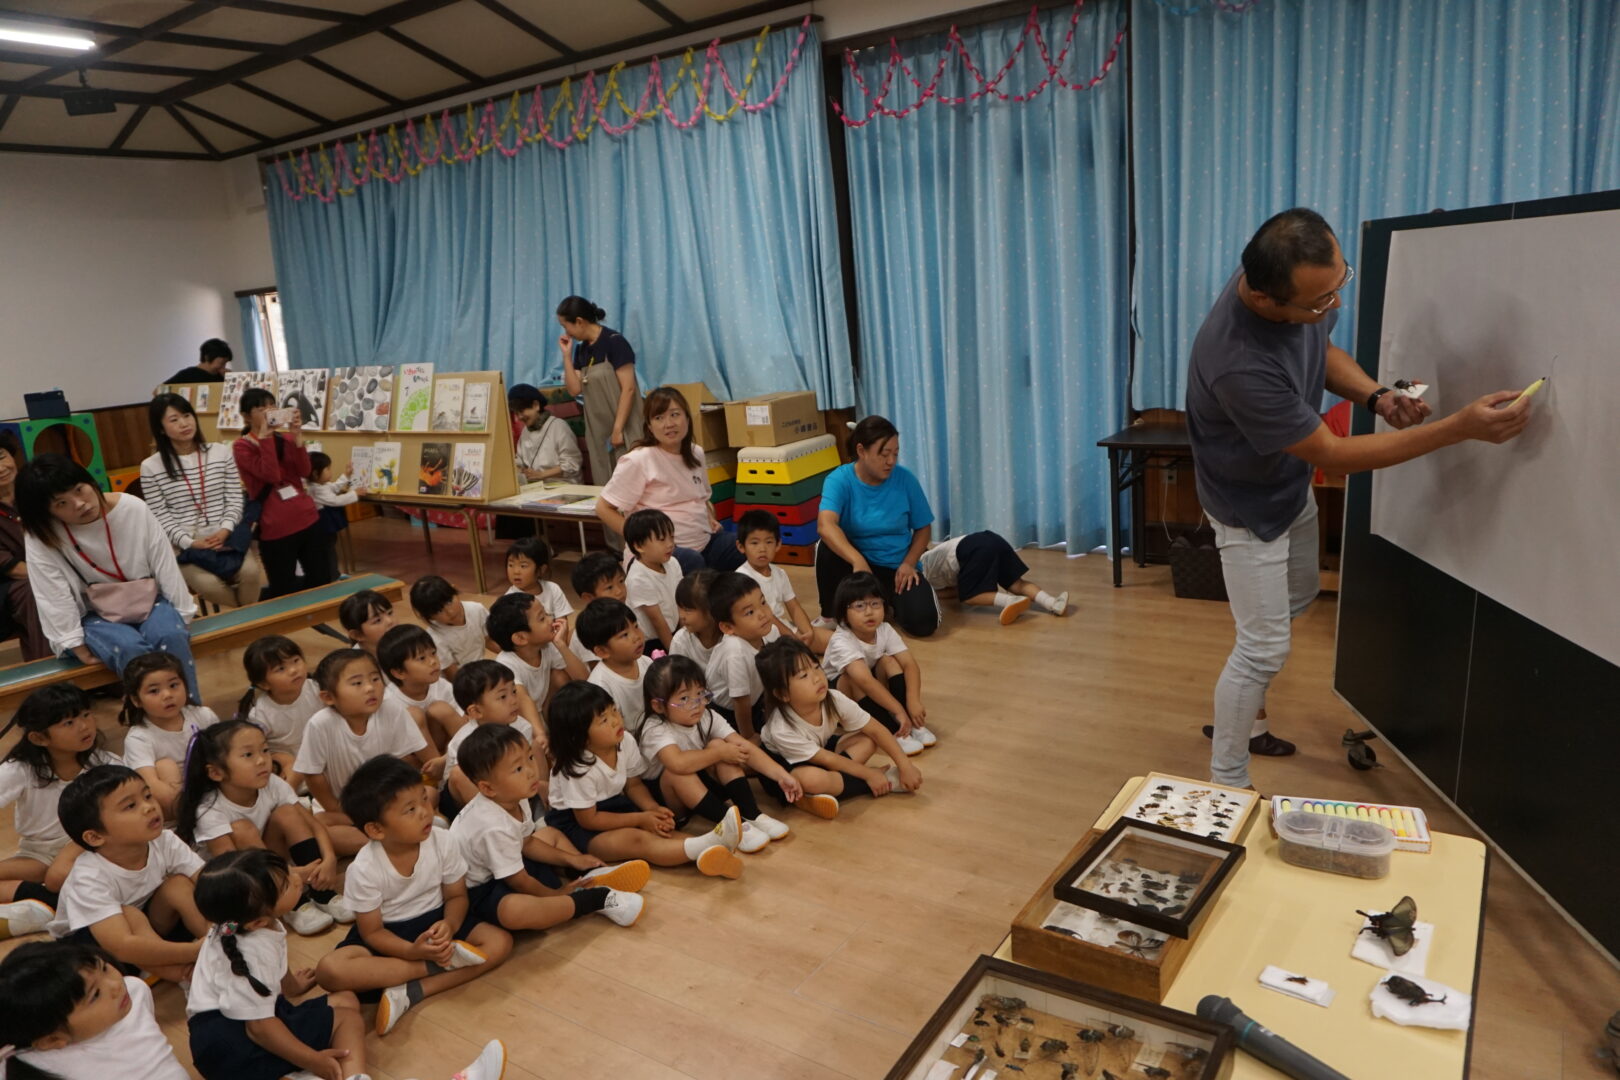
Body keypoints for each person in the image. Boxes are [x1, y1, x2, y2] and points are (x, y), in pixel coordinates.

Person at [1187, 207, 1533, 790]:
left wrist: (1379, 396)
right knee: (1264, 649)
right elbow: (1335, 456)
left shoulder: (1291, 289)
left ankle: (1246, 704)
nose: (1335, 307)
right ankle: (1229, 780)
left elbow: (1319, 350)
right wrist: (1458, 428)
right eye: (1320, 302)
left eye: (1339, 285)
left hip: (1285, 488)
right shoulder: (1237, 362)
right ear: (1268, 300)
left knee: (1293, 602)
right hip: (1246, 509)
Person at [311, 755, 513, 1036]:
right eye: (410, 809)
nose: (425, 811)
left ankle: (414, 990)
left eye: (424, 799)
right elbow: (372, 932)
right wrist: (411, 952)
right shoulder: (365, 869)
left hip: (437, 920)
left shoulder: (443, 841)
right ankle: (429, 968)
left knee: (500, 942)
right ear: (376, 829)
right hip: (389, 935)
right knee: (330, 971)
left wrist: (450, 925)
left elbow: (456, 897)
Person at [17, 453, 200, 700]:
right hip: (92, 616)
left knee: (171, 635)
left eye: (80, 489)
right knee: (130, 648)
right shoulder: (42, 536)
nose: (79, 503)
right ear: (47, 513)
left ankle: (191, 714)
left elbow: (164, 563)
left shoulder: (133, 509)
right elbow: (52, 594)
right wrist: (76, 644)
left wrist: (183, 613)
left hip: (150, 600)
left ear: (90, 482)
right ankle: (154, 725)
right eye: (61, 503)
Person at [185, 849, 376, 1080]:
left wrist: (292, 985)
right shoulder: (254, 951)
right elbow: (259, 1029)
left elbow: (273, 959)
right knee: (350, 1019)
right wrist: (313, 1060)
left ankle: (291, 1072)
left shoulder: (232, 924)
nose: (296, 879)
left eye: (287, 870)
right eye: (286, 884)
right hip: (235, 1045)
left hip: (216, 1042)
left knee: (346, 1000)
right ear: (258, 921)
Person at [450, 724, 645, 933]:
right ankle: (594, 898)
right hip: (478, 890)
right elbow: (520, 881)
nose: (531, 772)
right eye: (518, 769)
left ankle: (590, 873)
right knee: (515, 911)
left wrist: (572, 858)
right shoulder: (491, 826)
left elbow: (527, 843)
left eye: (530, 758)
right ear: (488, 788)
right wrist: (557, 894)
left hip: (507, 866)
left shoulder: (514, 797)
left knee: (551, 835)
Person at [543, 681, 745, 879]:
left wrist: (651, 809)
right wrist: (640, 818)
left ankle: (711, 851)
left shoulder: (624, 741)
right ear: (580, 737)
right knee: (637, 840)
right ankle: (707, 847)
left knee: (663, 831)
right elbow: (589, 819)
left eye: (614, 710)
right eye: (604, 720)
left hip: (614, 807)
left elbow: (634, 784)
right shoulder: (577, 768)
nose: (616, 720)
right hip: (578, 826)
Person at [175, 721, 349, 934]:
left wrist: (329, 859)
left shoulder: (272, 783)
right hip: (241, 884)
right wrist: (290, 875)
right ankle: (293, 904)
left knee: (287, 812)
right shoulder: (209, 809)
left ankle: (323, 894)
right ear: (216, 772)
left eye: (265, 750)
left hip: (277, 866)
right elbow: (233, 869)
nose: (262, 760)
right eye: (248, 755)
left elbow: (314, 825)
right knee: (242, 828)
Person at [49, 764, 208, 984]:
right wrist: (191, 952)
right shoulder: (88, 876)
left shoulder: (165, 840)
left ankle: (220, 940)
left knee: (179, 886)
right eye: (130, 806)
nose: (149, 807)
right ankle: (184, 974)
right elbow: (120, 946)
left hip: (150, 931)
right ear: (95, 837)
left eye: (148, 796)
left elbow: (208, 881)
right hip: (94, 949)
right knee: (129, 914)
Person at [638, 655, 794, 851]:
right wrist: (720, 753)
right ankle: (731, 824)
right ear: (658, 705)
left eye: (700, 694)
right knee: (680, 770)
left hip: (702, 791)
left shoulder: (707, 716)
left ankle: (751, 814)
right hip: (670, 805)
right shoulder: (654, 728)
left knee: (720, 745)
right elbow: (677, 763)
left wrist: (781, 775)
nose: (696, 703)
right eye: (684, 698)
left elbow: (743, 747)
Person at [0, 685, 120, 936]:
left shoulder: (106, 764)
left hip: (93, 848)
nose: (84, 726)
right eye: (69, 722)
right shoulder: (21, 769)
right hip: (39, 856)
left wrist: (71, 853)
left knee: (71, 879)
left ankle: (44, 906)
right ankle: (44, 903)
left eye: (86, 715)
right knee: (51, 877)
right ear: (39, 738)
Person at [756, 638, 922, 819]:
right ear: (783, 694)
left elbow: (876, 729)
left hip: (820, 750)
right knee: (812, 779)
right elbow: (827, 759)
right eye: (803, 676)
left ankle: (827, 789)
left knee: (867, 740)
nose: (817, 677)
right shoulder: (781, 728)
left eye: (816, 667)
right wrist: (869, 775)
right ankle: (877, 782)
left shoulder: (833, 698)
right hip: (785, 769)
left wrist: (905, 765)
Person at [291, 649, 432, 857]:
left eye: (375, 679)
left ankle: (395, 836)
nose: (370, 688)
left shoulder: (391, 708)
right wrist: (337, 808)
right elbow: (313, 774)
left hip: (391, 804)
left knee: (430, 794)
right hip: (343, 812)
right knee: (320, 827)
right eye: (357, 683)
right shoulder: (320, 724)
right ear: (328, 697)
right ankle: (403, 837)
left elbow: (403, 761)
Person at [815, 416, 941, 638]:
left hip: (897, 568)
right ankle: (830, 615)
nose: (891, 461)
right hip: (858, 567)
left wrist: (909, 563)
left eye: (895, 453)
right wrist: (857, 560)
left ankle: (885, 605)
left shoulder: (905, 480)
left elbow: (923, 528)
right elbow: (825, 525)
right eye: (884, 454)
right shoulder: (840, 480)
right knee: (826, 547)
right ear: (861, 451)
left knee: (923, 625)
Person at [597, 386, 743, 575]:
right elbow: (603, 508)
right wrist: (642, 540)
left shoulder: (695, 452)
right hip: (660, 554)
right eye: (659, 418)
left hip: (702, 542)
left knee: (741, 546)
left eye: (675, 415)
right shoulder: (638, 460)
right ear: (649, 427)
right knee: (692, 562)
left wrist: (709, 517)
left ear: (687, 418)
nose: (669, 424)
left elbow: (701, 498)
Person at [140, 392, 263, 611]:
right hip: (186, 543)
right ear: (160, 428)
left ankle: (245, 624)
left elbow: (235, 498)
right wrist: (189, 542)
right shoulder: (151, 466)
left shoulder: (220, 452)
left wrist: (225, 529)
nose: (184, 424)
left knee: (252, 574)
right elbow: (159, 516)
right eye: (174, 420)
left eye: (187, 415)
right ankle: (249, 619)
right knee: (210, 585)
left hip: (226, 535)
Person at [0, 940, 192, 1080]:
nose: (115, 985)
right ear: (52, 1039)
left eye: (104, 968)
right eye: (96, 995)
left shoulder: (134, 992)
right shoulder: (30, 1066)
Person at [232, 386, 332, 598]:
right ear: (246, 416)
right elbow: (272, 476)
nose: (269, 411)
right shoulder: (242, 446)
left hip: (306, 516)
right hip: (275, 526)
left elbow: (306, 471)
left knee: (322, 578)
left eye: (272, 406)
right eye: (261, 408)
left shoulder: (285, 439)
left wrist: (297, 437)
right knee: (283, 588)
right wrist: (265, 438)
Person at [822, 573, 930, 755]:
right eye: (859, 606)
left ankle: (909, 722)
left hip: (870, 689)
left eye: (875, 604)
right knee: (854, 678)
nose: (869, 612)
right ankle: (891, 731)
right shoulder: (841, 639)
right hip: (837, 700)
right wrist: (897, 710)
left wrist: (912, 702)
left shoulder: (884, 629)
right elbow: (864, 681)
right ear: (844, 614)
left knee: (889, 661)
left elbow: (910, 664)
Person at [116, 651, 220, 821]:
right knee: (166, 766)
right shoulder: (139, 737)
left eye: (173, 685)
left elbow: (224, 754)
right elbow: (151, 785)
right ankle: (194, 819)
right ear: (136, 700)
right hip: (173, 804)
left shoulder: (203, 715)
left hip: (210, 787)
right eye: (154, 691)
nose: (167, 695)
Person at [557, 295, 645, 486]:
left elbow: (628, 388)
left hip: (624, 427)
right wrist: (566, 355)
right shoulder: (582, 350)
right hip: (599, 431)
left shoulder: (614, 342)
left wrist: (618, 429)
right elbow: (574, 389)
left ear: (579, 322)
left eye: (566, 326)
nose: (567, 332)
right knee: (607, 482)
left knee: (632, 482)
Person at [918, 532, 1068, 624]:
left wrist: (934, 595)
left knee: (969, 596)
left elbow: (959, 593)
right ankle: (1053, 603)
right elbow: (954, 590)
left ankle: (1010, 601)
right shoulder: (934, 555)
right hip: (991, 539)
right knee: (1017, 584)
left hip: (972, 549)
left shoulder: (922, 569)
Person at [736, 509, 830, 652]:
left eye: (768, 542)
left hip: (783, 630)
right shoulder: (742, 577)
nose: (762, 549)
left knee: (836, 641)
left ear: (778, 544)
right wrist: (792, 637)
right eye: (754, 543)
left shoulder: (779, 573)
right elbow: (767, 616)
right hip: (760, 637)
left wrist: (807, 631)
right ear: (741, 546)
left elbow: (794, 607)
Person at [235, 635, 320, 778]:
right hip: (287, 762)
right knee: (293, 768)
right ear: (263, 684)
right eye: (281, 668)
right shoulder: (261, 714)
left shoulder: (318, 688)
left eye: (296, 661)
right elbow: (257, 749)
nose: (293, 670)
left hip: (321, 750)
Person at [0, 431, 49, 659]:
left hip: (47, 570)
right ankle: (48, 680)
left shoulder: (36, 490)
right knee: (36, 592)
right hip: (9, 584)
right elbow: (12, 568)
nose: (1, 468)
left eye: (1, 457)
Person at [579, 598, 653, 735]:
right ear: (602, 651)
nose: (636, 637)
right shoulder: (600, 686)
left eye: (636, 626)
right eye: (624, 635)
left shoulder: (646, 662)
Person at [410, 574, 492, 680]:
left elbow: (489, 640)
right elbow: (453, 675)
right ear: (429, 616)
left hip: (478, 670)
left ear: (454, 591)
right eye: (439, 611)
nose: (450, 611)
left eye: (449, 602)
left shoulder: (477, 609)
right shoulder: (434, 637)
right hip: (459, 681)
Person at [622, 508, 680, 651]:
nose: (670, 544)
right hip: (652, 642)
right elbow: (657, 621)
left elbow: (681, 599)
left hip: (674, 631)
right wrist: (674, 653)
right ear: (639, 546)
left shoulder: (672, 563)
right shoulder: (639, 578)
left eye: (671, 537)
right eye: (661, 540)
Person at [508, 382, 582, 484]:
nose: (519, 417)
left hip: (563, 485)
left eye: (521, 411)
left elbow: (572, 464)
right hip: (538, 488)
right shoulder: (525, 431)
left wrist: (541, 475)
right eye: (516, 413)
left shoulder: (559, 426)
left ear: (536, 405)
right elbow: (520, 461)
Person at [669, 568, 722, 668]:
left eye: (687, 610)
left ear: (711, 609)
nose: (681, 616)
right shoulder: (681, 642)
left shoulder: (731, 636)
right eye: (679, 608)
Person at [166, 338, 231, 385]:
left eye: (225, 363)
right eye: (222, 363)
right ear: (207, 357)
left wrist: (230, 378)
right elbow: (159, 391)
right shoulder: (188, 374)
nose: (224, 367)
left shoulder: (222, 376)